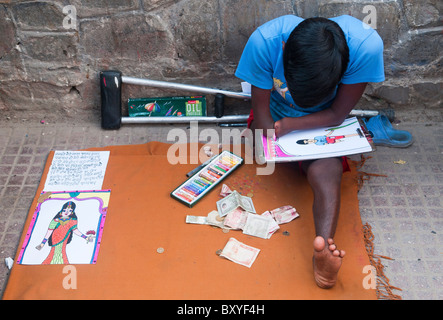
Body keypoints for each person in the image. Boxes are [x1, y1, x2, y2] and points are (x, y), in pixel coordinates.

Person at [235, 15, 384, 288]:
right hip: (274, 120)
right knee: (260, 136)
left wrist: (294, 125)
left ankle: (323, 249)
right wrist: (273, 135)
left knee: (327, 168)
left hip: (322, 123)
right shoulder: (265, 42)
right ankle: (323, 244)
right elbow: (262, 112)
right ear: (284, 51)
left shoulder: (365, 47)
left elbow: (338, 112)